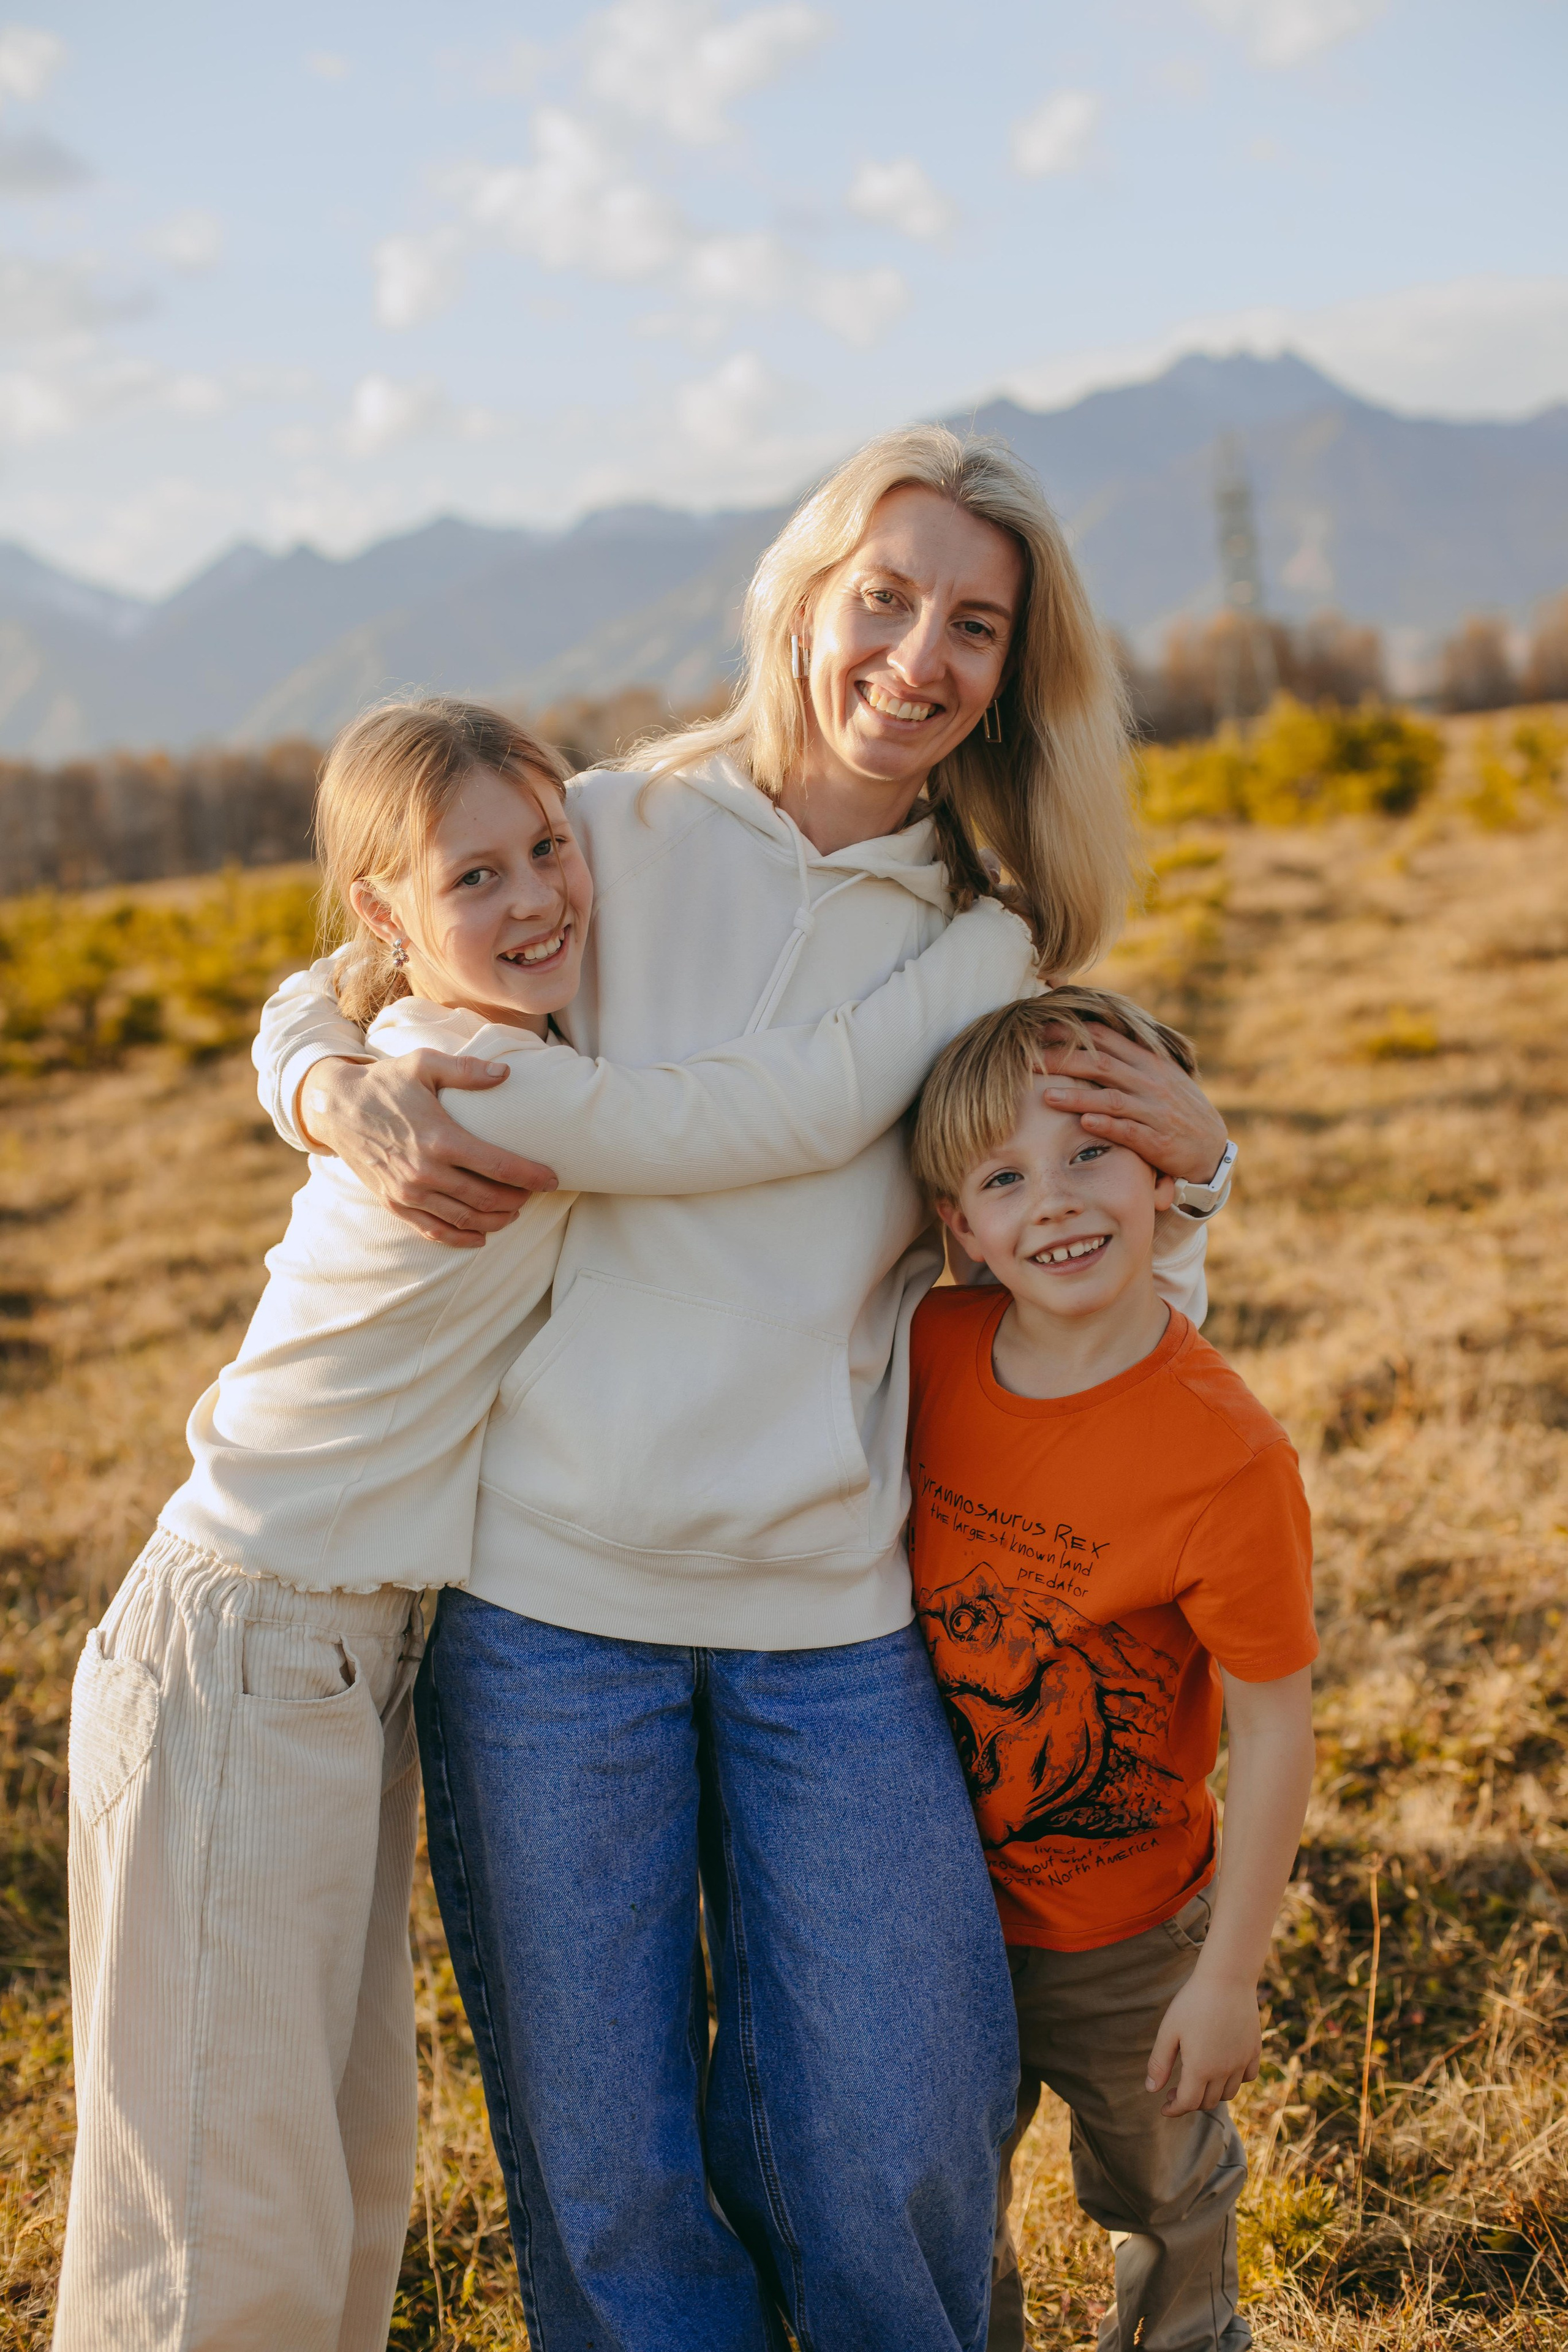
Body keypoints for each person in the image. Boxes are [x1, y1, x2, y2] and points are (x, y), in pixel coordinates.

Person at [251, 429, 1240, 2352]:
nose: (917, 655)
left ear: (1007, 679)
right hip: (548, 1616)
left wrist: (1206, 1162)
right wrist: (327, 1086)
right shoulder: (603, 830)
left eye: (974, 625)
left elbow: (1112, 1233)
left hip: (832, 1616)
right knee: (613, 2183)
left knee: (896, 2141)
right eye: (886, 596)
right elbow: (348, 962)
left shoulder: (984, 940)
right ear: (803, 594)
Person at [57, 697, 1046, 2352]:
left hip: (339, 1647)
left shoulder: (480, 1038)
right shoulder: (479, 1075)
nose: (535, 901)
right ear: (389, 915)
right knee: (220, 2199)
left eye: (549, 850)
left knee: (332, 2164)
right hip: (243, 1633)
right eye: (475, 878)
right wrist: (993, 938)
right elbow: (772, 1116)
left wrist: (310, 1062)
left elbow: (320, 993)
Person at [905, 987, 1318, 2352]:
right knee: (939, 2208)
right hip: (934, 1919)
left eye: (1089, 1151)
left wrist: (1228, 1977)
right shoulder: (926, 1359)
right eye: (1004, 1177)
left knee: (1167, 2195)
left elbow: (1271, 1728)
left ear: (1161, 1172)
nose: (1056, 1202)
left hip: (1129, 1933)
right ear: (956, 1228)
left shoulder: (1223, 1455)